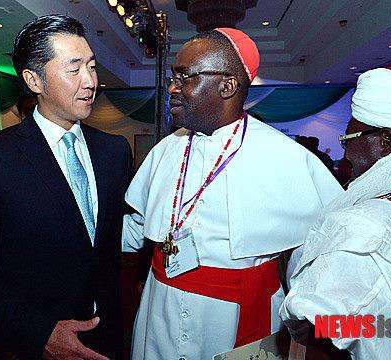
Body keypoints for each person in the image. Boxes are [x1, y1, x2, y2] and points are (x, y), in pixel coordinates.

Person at [122, 28, 342, 359]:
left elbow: (321, 247)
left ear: (227, 86)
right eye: (173, 76)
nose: (172, 87)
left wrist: (308, 304)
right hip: (160, 305)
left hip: (235, 315)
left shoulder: (285, 156)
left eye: (185, 78)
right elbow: (136, 227)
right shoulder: (165, 150)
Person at [0, 15, 133, 359]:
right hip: (27, 346)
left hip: (106, 340)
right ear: (34, 80)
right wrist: (40, 334)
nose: (90, 81)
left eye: (92, 67)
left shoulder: (114, 152)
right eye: (74, 69)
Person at [280, 44, 391, 359]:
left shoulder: (366, 225)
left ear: (385, 142)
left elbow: (315, 325)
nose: (344, 152)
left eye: (348, 140)